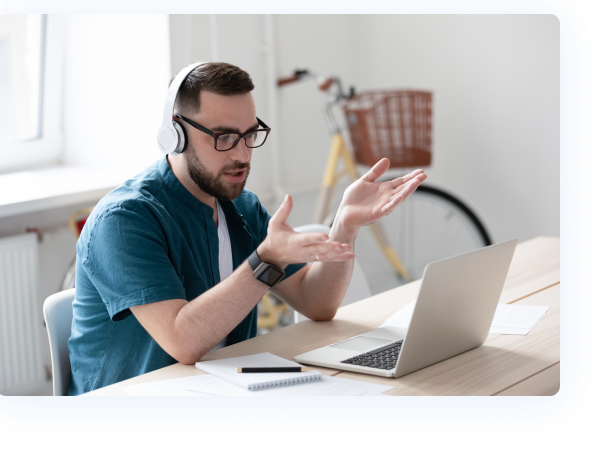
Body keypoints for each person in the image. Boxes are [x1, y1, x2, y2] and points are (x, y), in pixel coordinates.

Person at [67, 62, 426, 395]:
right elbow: (183, 342)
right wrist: (265, 260)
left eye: (249, 134)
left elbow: (316, 303)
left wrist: (345, 225)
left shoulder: (240, 206)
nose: (242, 155)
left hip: (225, 389)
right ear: (174, 134)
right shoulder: (125, 219)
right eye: (224, 137)